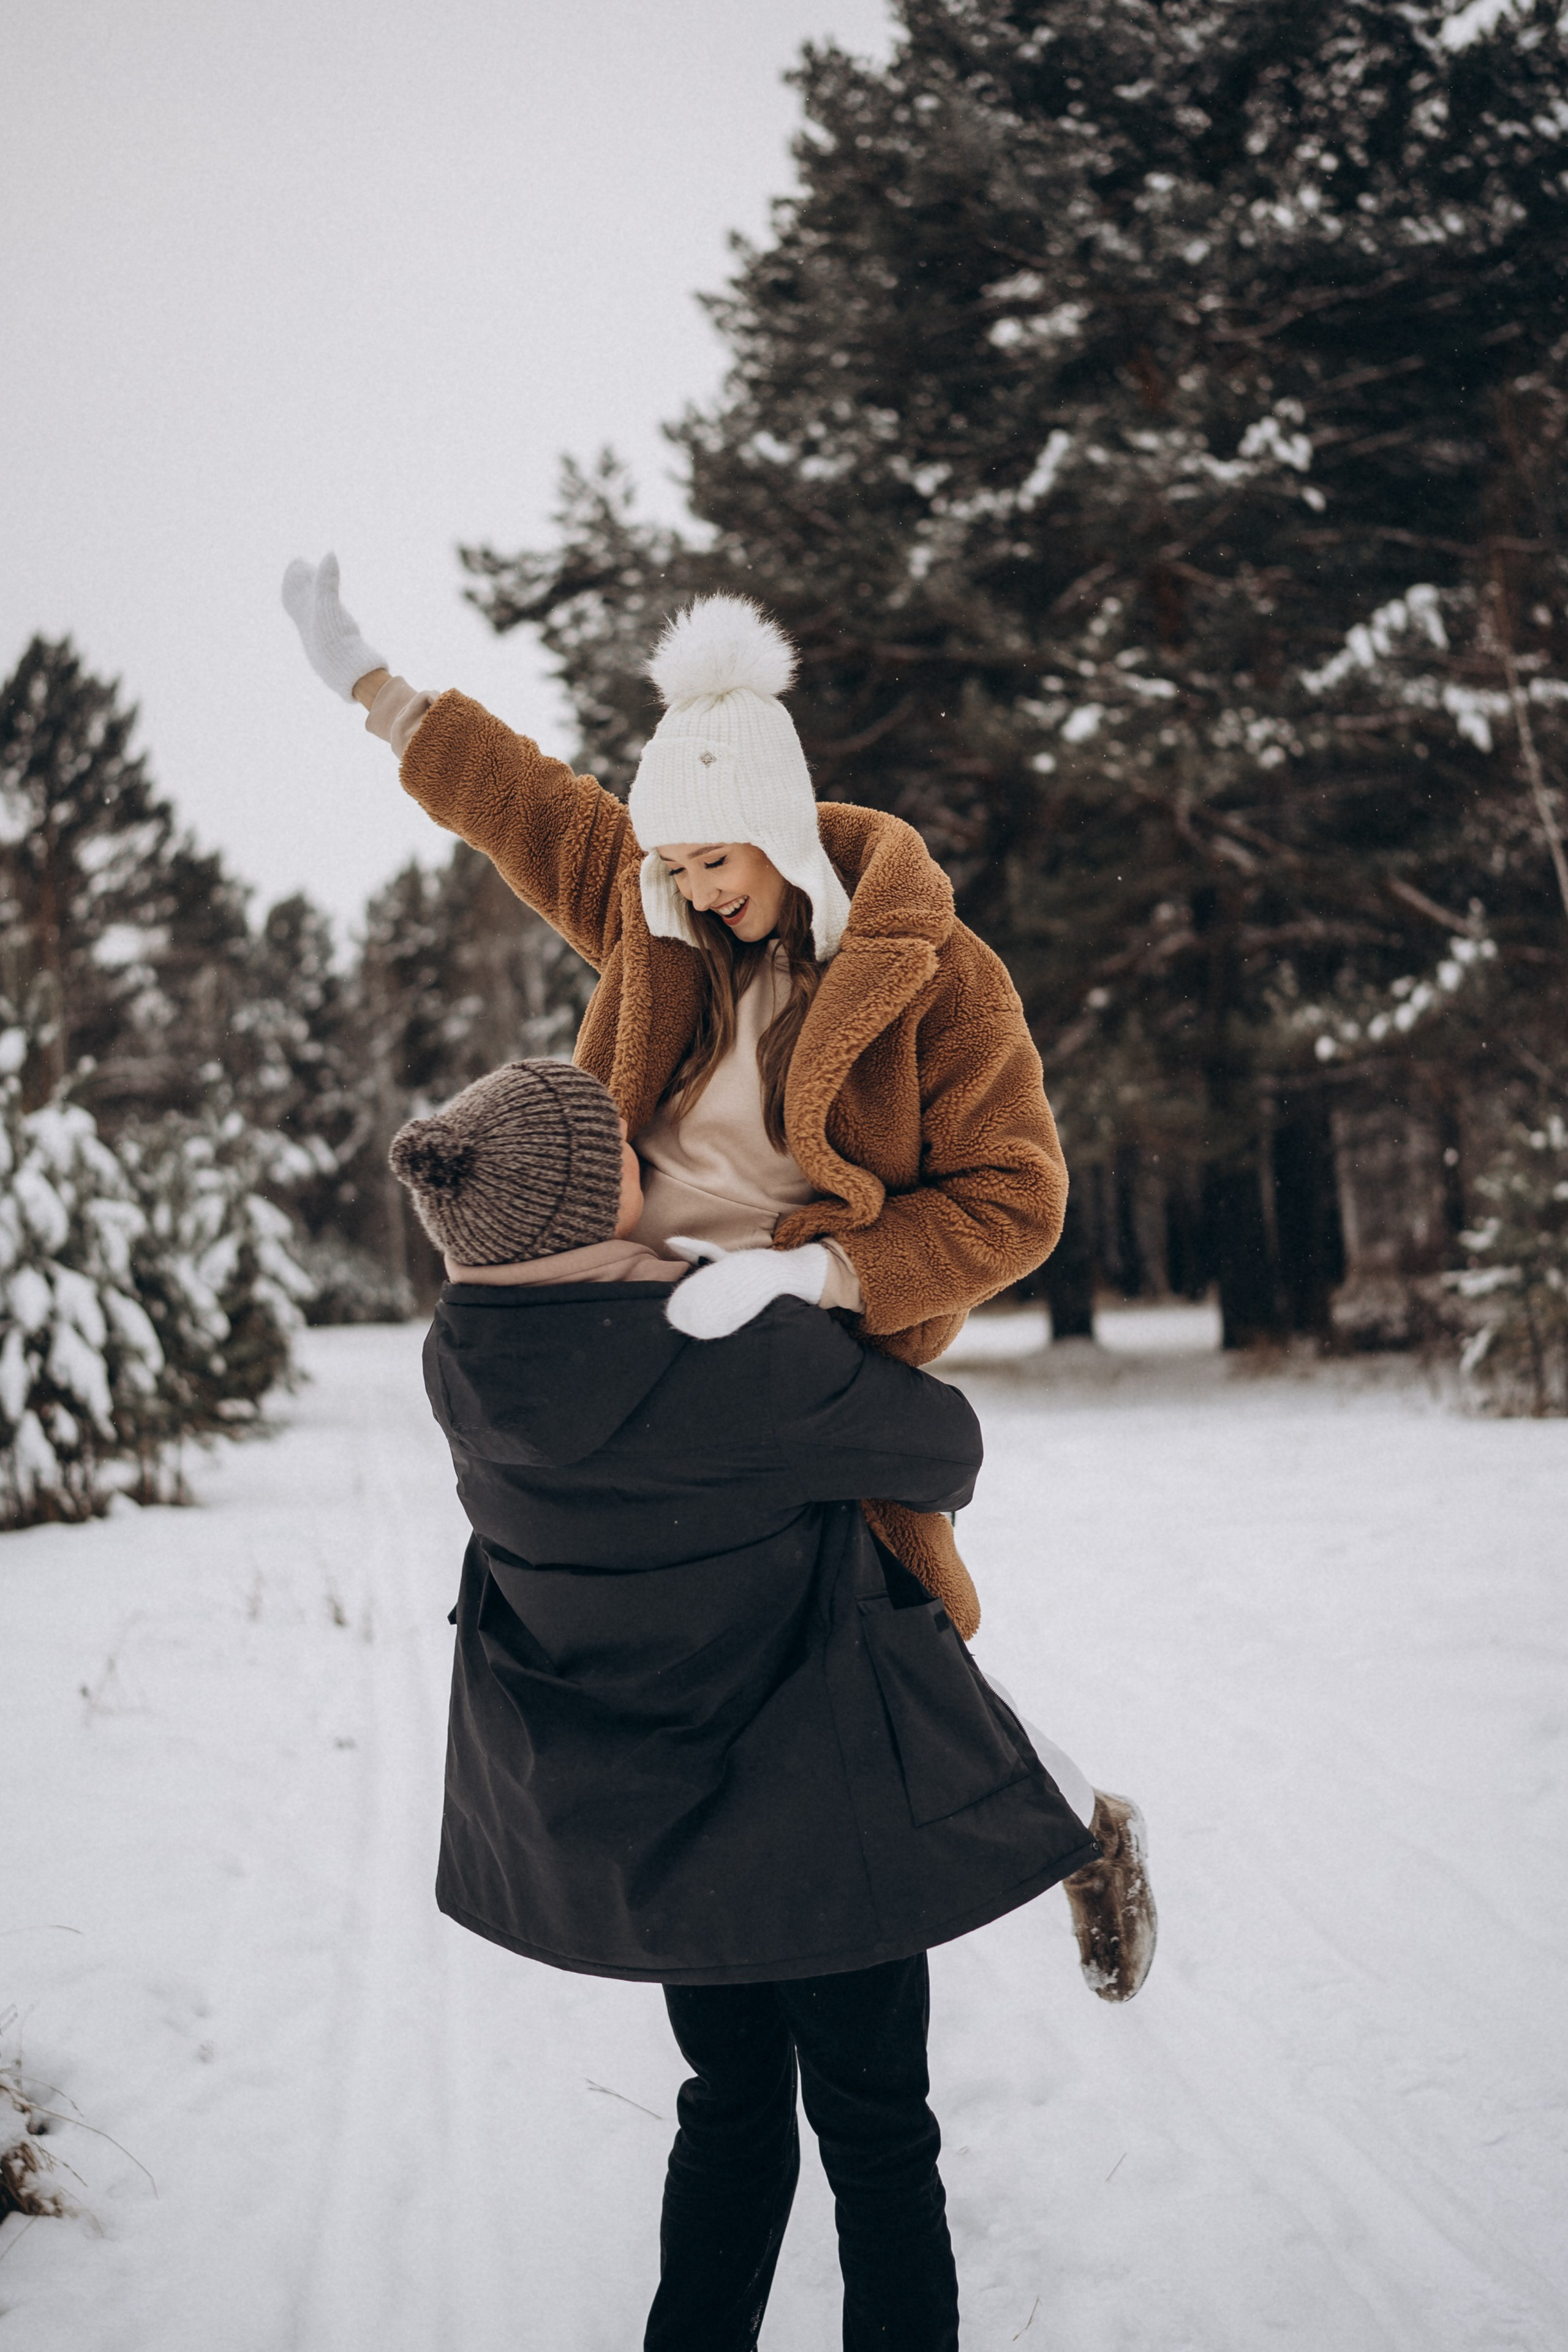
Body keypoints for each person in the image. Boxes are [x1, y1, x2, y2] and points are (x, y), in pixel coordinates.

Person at [281, 557, 1155, 2004]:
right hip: (631, 1314)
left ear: (777, 834)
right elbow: (524, 803)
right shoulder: (654, 926)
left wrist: (823, 1276)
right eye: (672, 866)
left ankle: (1072, 1831)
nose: (689, 888)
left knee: (890, 1647)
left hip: (789, 1343)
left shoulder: (936, 980)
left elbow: (1017, 1200)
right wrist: (378, 691)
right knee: (689, 1659)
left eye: (714, 863)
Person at [387, 1054, 1104, 2351]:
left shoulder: (465, 1366)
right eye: (619, 1145)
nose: (648, 1150)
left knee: (727, 2108)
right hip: (821, 1820)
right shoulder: (727, 1354)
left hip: (666, 1839)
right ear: (589, 1200)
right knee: (878, 2136)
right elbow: (943, 1450)